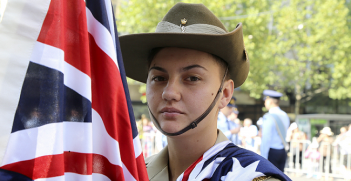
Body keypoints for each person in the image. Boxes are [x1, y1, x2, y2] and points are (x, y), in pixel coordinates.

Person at [120, 3, 291, 181]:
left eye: (192, 78)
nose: (169, 93)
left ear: (224, 93)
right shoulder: (134, 174)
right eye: (159, 78)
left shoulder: (248, 175)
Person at [260, 90, 290, 172]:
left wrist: (263, 158)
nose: (264, 103)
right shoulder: (284, 115)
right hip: (282, 151)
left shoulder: (268, 117)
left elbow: (266, 138)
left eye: (265, 101)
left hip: (272, 152)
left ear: (270, 101)